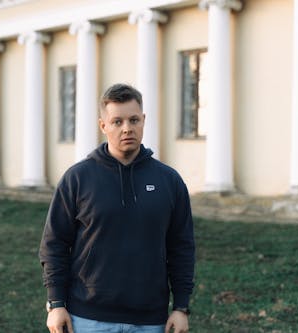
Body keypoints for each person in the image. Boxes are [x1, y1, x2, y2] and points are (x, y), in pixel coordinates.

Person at [39, 83, 195, 333]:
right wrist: (56, 303)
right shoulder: (78, 178)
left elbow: (182, 248)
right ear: (103, 126)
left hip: (151, 320)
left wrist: (181, 307)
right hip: (87, 318)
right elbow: (54, 243)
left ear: (143, 121)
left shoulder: (169, 181)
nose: (127, 129)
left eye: (134, 120)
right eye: (117, 121)